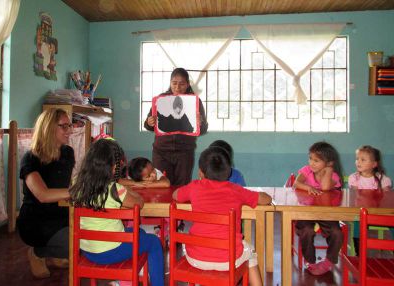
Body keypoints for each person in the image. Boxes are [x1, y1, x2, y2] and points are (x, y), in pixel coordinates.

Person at [69, 139, 164, 286]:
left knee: (139, 233)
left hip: (87, 249)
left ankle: (127, 281)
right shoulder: (113, 189)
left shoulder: (77, 182)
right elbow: (139, 203)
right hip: (110, 251)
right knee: (154, 242)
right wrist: (130, 190)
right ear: (112, 167)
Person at [172, 146, 272, 286]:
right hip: (229, 260)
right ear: (229, 172)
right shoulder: (236, 190)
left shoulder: (194, 187)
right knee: (251, 254)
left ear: (201, 172)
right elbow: (265, 199)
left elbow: (175, 195)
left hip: (195, 258)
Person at [17, 108, 75, 278]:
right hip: (37, 222)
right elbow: (43, 195)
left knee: (88, 235)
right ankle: (37, 252)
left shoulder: (67, 153)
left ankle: (55, 253)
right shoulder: (31, 158)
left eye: (69, 126)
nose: (69, 131)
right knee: (78, 244)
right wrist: (77, 191)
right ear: (49, 128)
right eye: (64, 126)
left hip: (61, 216)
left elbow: (65, 186)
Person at [144, 67, 208, 186]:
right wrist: (149, 122)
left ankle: (178, 206)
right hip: (161, 152)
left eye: (182, 84)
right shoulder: (161, 99)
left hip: (184, 152)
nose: (177, 87)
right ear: (170, 83)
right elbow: (148, 126)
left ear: (188, 84)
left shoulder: (195, 102)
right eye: (174, 83)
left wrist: (201, 122)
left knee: (181, 187)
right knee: (161, 186)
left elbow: (203, 129)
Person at [292, 141, 343, 276]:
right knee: (307, 230)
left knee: (336, 232)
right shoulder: (306, 171)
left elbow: (325, 187)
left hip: (325, 212)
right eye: (310, 158)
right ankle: (310, 261)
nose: (312, 163)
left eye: (317, 160)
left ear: (328, 163)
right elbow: (296, 182)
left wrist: (329, 169)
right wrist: (308, 187)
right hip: (306, 212)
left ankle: (329, 261)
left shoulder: (333, 176)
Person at [348, 145, 392, 255]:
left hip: (379, 213)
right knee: (358, 223)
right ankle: (359, 252)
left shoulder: (383, 179)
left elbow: (388, 199)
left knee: (392, 222)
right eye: (357, 159)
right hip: (361, 213)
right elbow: (355, 196)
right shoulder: (354, 178)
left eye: (363, 159)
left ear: (374, 164)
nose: (358, 162)